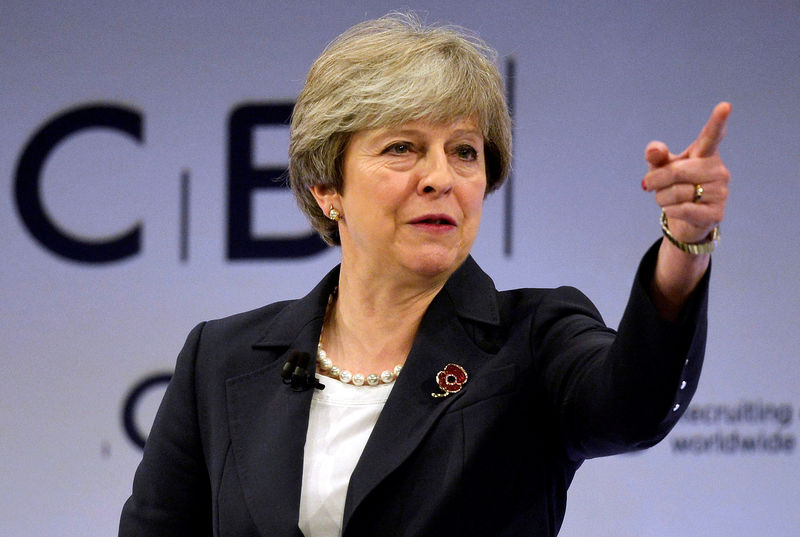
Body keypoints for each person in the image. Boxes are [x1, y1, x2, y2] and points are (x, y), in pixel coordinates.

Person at [119, 13, 731, 537]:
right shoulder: (220, 359)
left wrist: (686, 244)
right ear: (327, 186)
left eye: (464, 151)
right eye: (402, 148)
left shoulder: (536, 338)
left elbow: (633, 405)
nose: (440, 177)